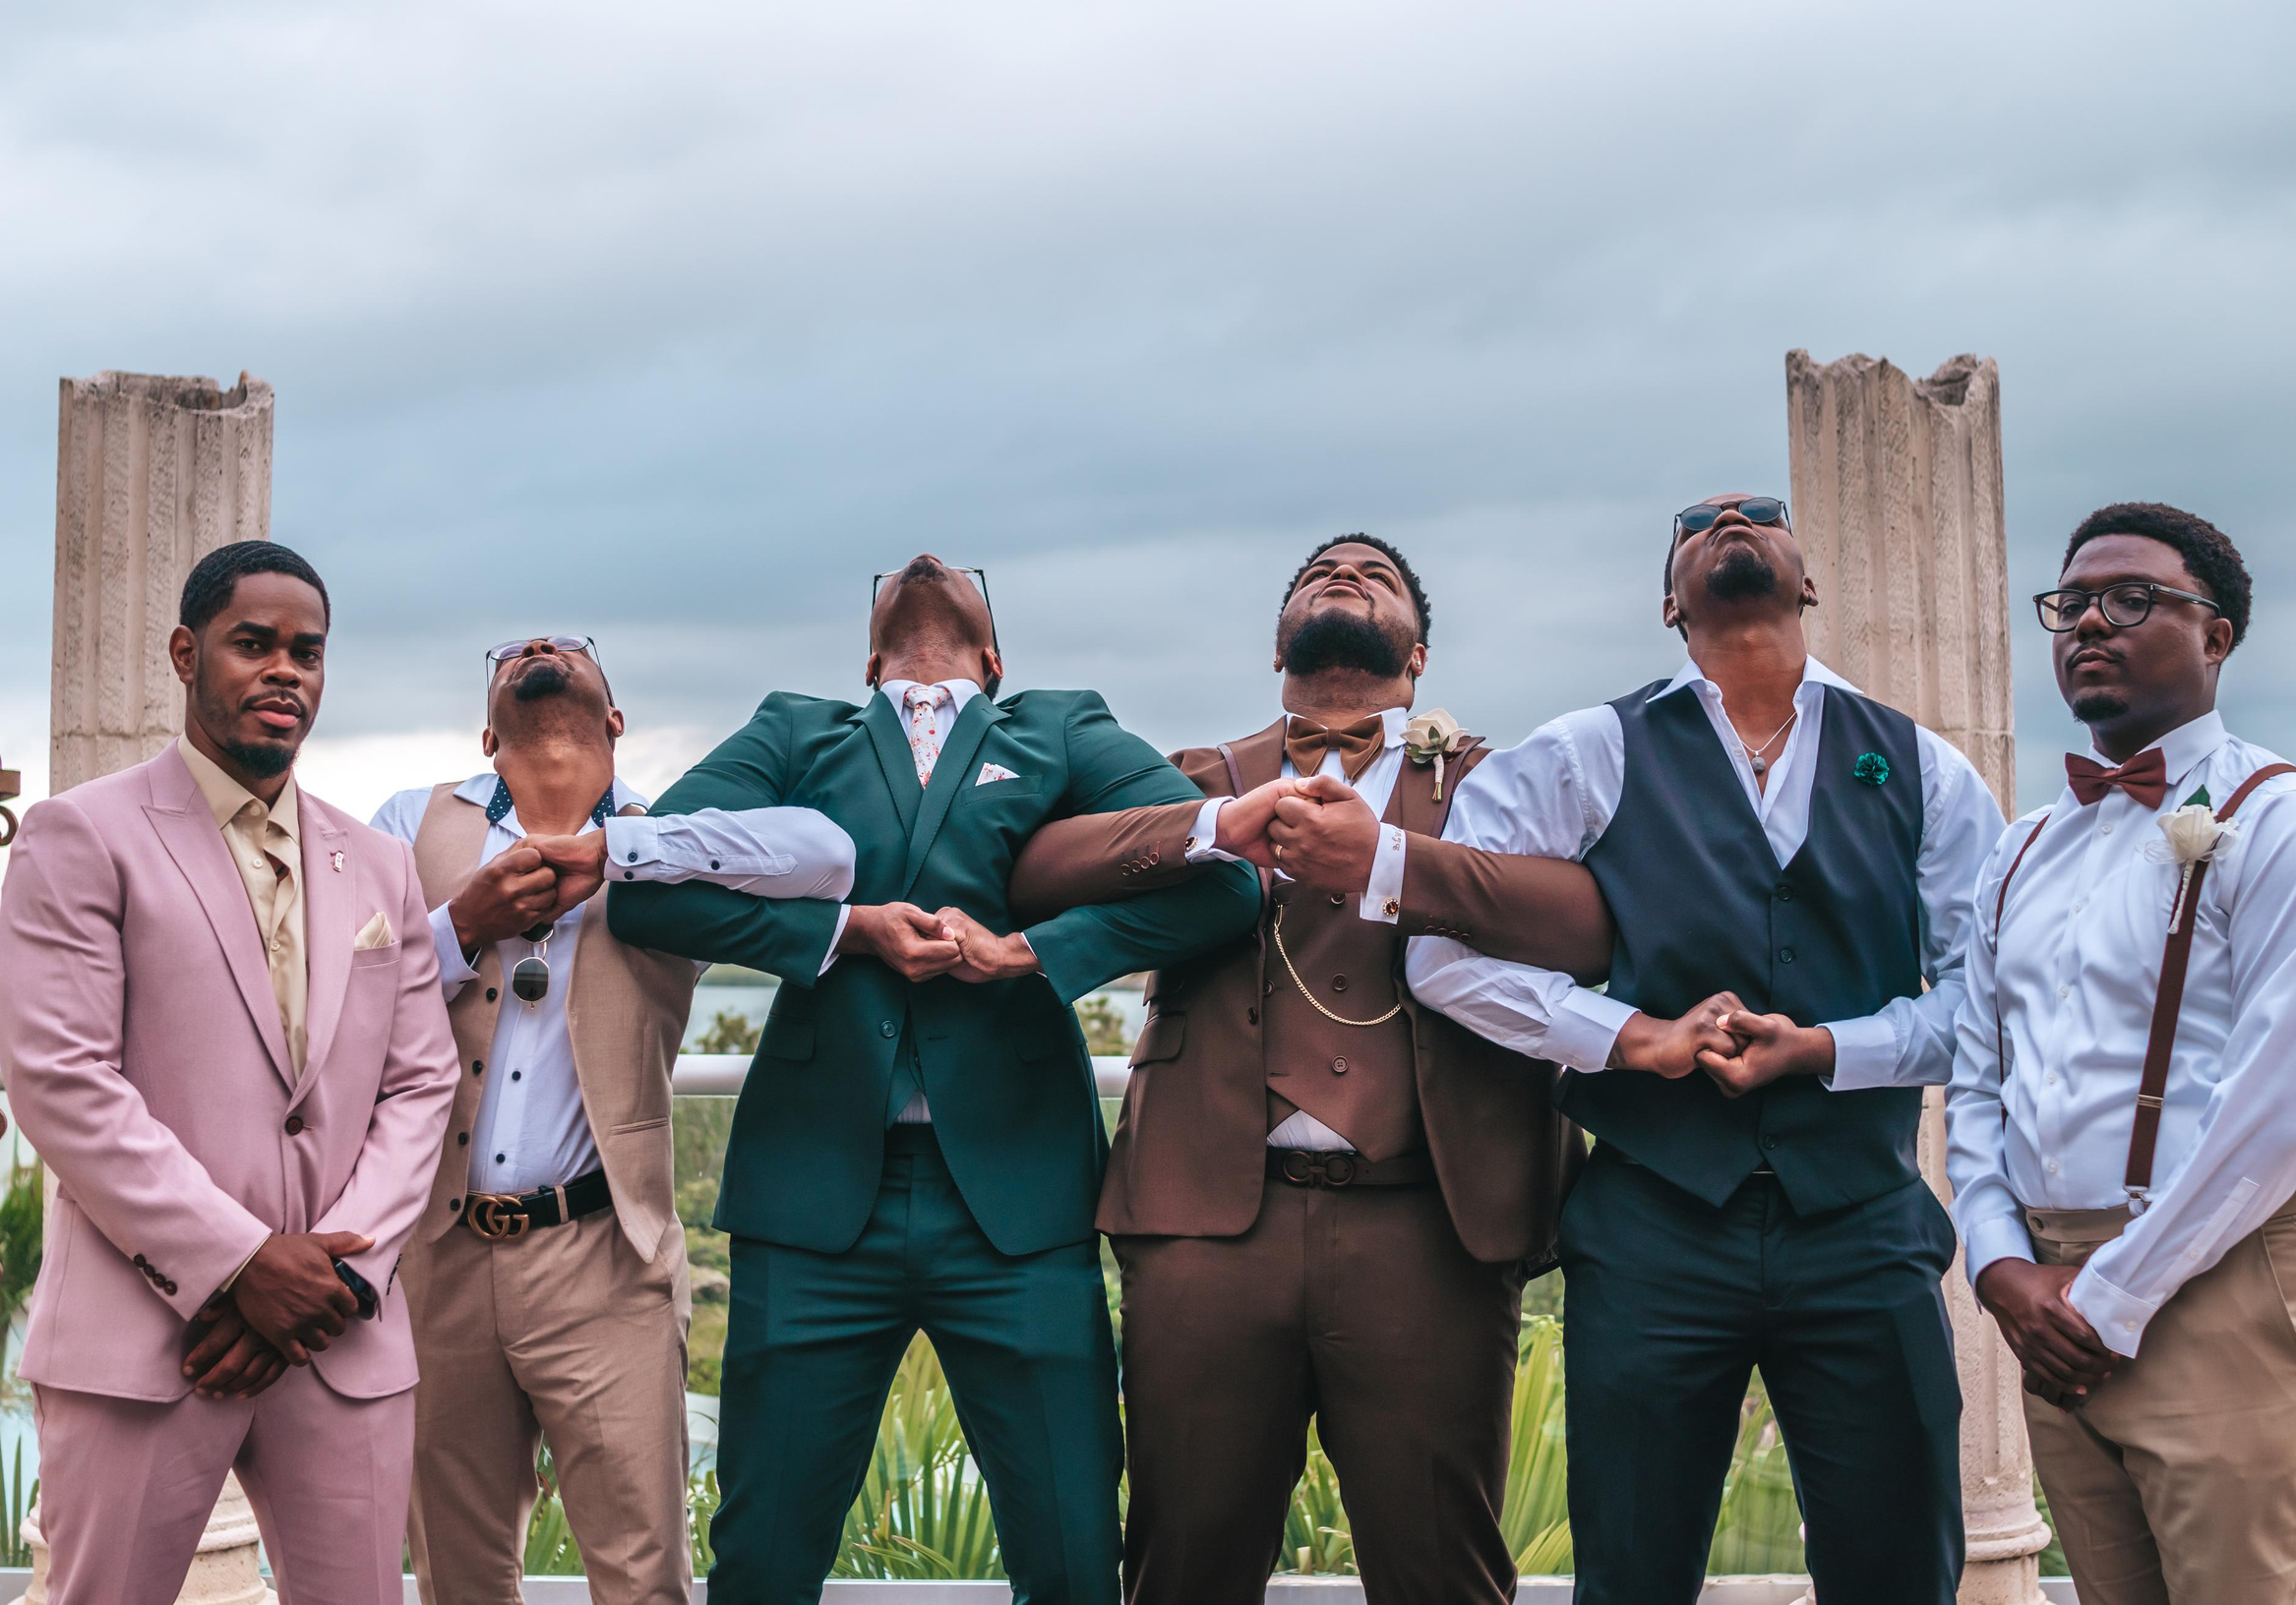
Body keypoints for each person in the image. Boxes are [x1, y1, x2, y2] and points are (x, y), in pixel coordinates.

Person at [606, 554, 1260, 1604]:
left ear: (994, 659)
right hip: (812, 1203)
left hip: (1020, 1207)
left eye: (962, 572)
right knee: (764, 1559)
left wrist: (1034, 953)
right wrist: (841, 931)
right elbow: (643, 880)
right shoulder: (794, 730)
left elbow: (1221, 884)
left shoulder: (1059, 727)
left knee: (1071, 1552)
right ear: (868, 662)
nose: (923, 562)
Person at [1406, 494, 2003, 1605]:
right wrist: (1626, 1037)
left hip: (1862, 1226)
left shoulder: (1917, 765)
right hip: (1650, 1226)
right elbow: (1438, 952)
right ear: (1668, 600)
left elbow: (1992, 1003)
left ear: (1807, 581)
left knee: (1900, 1569)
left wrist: (1829, 1048)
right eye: (1698, 524)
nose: (1730, 519)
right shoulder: (1591, 749)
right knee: (1633, 1569)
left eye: (1760, 514)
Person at [1003, 534, 1607, 1605]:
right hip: (1204, 1227)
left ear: (1418, 659)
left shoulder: (1491, 781)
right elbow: (1035, 872)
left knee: (1442, 1575)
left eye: (1375, 575)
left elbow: (1587, 923)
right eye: (1319, 574)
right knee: (1182, 1565)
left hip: (1429, 1221)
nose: (1344, 577)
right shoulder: (1196, 777)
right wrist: (1210, 828)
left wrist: (1391, 862)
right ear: (1275, 641)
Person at [0, 541, 458, 1605]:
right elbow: (64, 1080)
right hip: (150, 1338)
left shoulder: (378, 863)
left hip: (345, 1343)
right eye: (254, 644)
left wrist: (334, 1279)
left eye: (308, 651)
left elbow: (421, 1085)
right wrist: (243, 1268)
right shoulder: (82, 837)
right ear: (186, 652)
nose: (284, 671)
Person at [1947, 503, 2296, 1604]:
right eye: (2071, 603)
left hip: (2229, 1287)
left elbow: (2286, 1108)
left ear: (2216, 636)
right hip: (2052, 1303)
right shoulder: (2021, 849)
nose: (2090, 621)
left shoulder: (2286, 822)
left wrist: (2114, 1296)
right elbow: (1976, 1072)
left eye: (2132, 598)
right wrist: (1997, 1260)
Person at [369, 633, 858, 1605]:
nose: (542, 648)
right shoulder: (407, 822)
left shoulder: (666, 836)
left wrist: (621, 851)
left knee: (642, 1577)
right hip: (433, 1257)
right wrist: (460, 926)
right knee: (456, 1581)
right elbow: (339, 997)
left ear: (617, 722)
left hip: (606, 1258)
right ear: (486, 730)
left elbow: (829, 855)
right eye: (514, 651)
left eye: (569, 647)